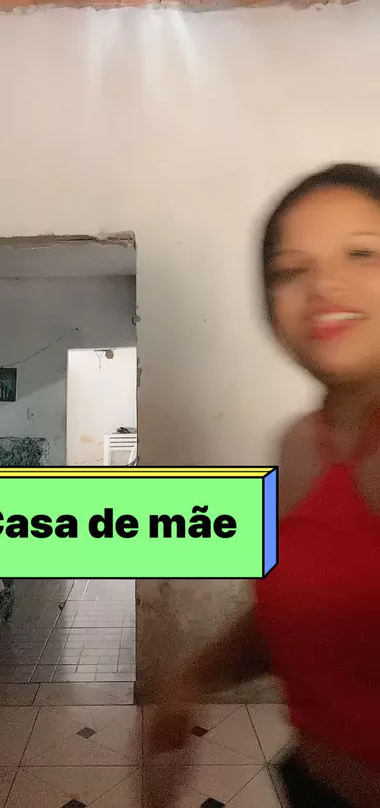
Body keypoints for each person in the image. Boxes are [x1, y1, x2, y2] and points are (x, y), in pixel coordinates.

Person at [146, 163, 380, 808]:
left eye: (362, 253)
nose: (323, 286)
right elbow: (309, 610)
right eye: (291, 270)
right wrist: (191, 680)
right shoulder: (298, 445)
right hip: (311, 784)